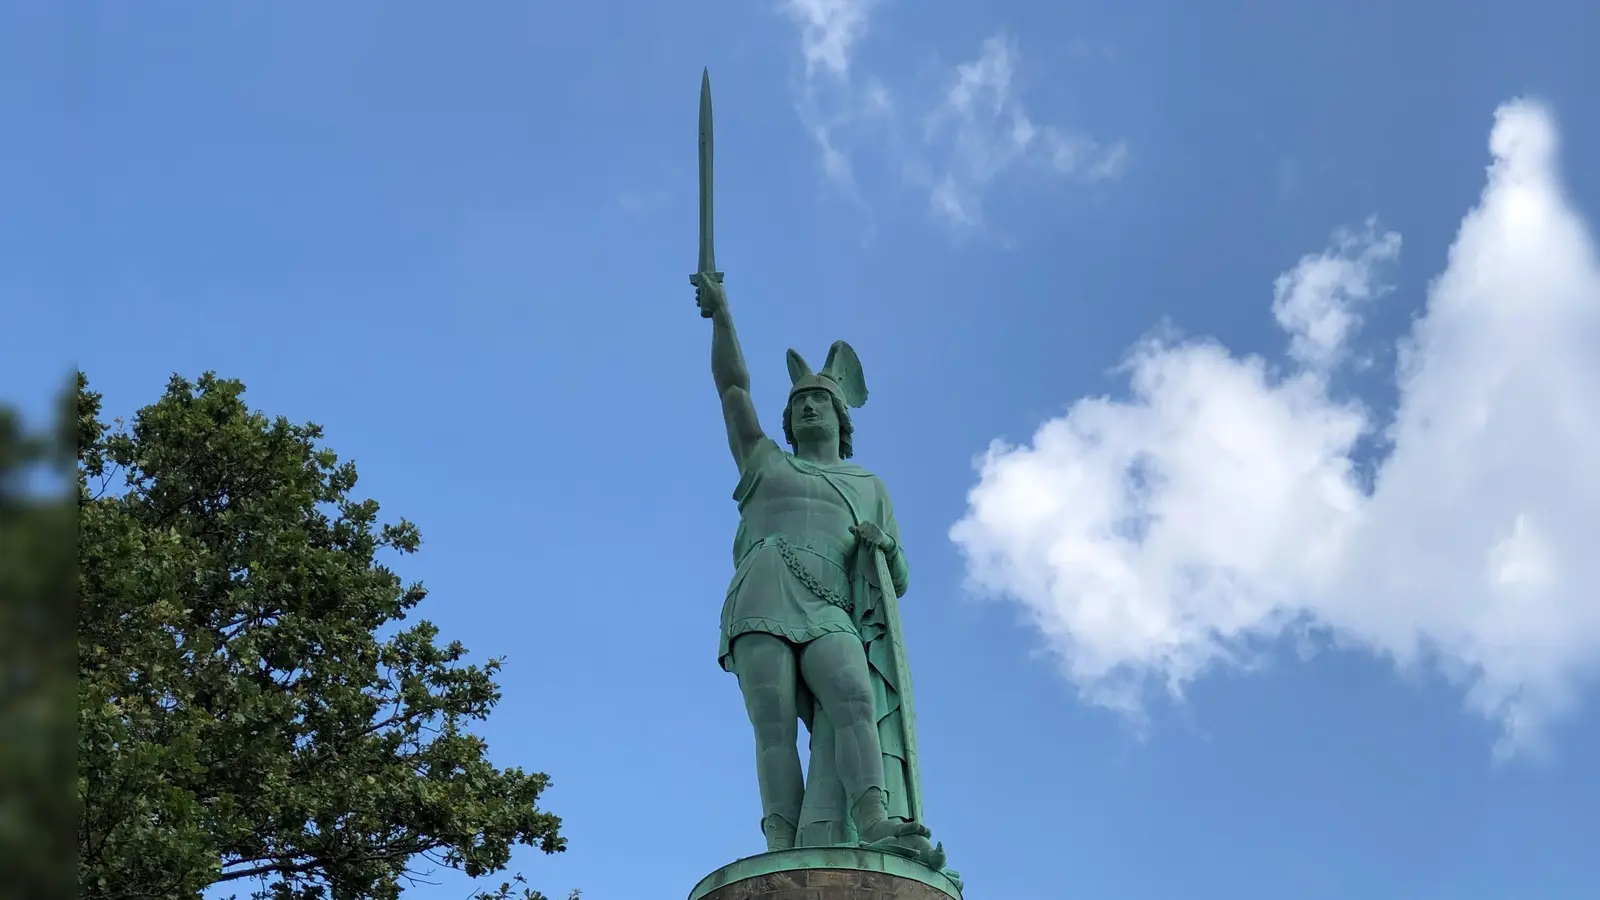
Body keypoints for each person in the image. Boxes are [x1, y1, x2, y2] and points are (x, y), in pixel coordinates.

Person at [695, 275, 942, 869]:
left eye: (819, 399)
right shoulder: (764, 462)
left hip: (830, 605)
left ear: (839, 416)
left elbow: (899, 576)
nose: (807, 405)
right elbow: (732, 388)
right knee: (773, 725)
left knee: (855, 697)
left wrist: (882, 546)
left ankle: (875, 817)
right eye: (798, 400)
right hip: (763, 593)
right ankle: (781, 842)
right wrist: (722, 313)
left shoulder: (868, 486)